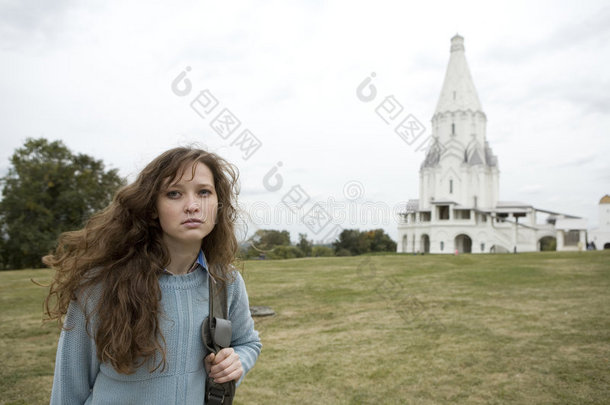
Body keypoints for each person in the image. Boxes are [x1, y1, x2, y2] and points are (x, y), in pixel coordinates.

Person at [44, 146, 261, 404]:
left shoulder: (226, 282)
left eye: (204, 192)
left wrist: (236, 363)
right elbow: (68, 389)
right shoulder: (100, 285)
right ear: (152, 208)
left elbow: (248, 342)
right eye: (174, 193)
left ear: (218, 203)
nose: (192, 206)